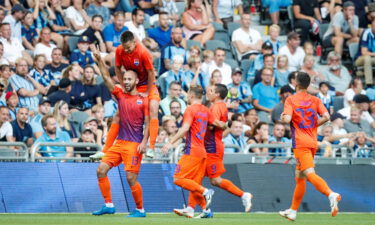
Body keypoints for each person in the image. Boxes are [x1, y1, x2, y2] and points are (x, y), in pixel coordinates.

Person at [176, 84, 252, 218]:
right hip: (209, 146)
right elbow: (221, 125)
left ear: (217, 94)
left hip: (212, 147)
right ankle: (196, 209)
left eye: (211, 90)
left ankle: (243, 195)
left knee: (213, 180)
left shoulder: (217, 107)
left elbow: (212, 125)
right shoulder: (219, 106)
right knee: (198, 179)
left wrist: (197, 125)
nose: (207, 92)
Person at [92, 52, 150, 217]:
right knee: (101, 170)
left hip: (134, 144)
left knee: (131, 178)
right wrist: (100, 61)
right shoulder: (120, 94)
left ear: (137, 81)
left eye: (129, 79)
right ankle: (109, 205)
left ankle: (140, 210)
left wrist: (145, 142)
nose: (126, 81)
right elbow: (106, 78)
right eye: (124, 79)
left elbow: (149, 124)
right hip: (120, 143)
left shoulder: (143, 100)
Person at [279, 71, 340, 221]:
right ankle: (293, 210)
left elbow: (286, 119)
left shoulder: (291, 100)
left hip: (300, 142)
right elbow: (327, 117)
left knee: (309, 173)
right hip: (312, 141)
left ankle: (331, 194)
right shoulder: (316, 100)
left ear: (296, 84)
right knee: (300, 178)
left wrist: (284, 117)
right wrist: (313, 125)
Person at [161, 85, 215, 216]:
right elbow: (215, 125)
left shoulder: (190, 109)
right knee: (194, 183)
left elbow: (185, 128)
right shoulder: (206, 110)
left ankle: (206, 192)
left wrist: (170, 142)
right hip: (202, 151)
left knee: (178, 178)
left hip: (192, 150)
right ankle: (197, 209)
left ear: (191, 95)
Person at [114, 31, 160, 149]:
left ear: (134, 43)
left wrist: (147, 91)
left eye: (129, 48)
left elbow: (151, 73)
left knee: (153, 108)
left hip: (148, 84)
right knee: (119, 113)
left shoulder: (143, 53)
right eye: (125, 48)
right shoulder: (119, 50)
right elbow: (117, 68)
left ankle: (152, 147)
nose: (127, 50)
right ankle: (106, 148)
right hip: (134, 84)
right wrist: (123, 85)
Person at [355, 18, 375, 87]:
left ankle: (362, 73)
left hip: (373, 59)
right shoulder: (366, 33)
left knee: (369, 59)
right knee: (367, 58)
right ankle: (369, 84)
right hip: (360, 58)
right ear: (372, 25)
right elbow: (364, 52)